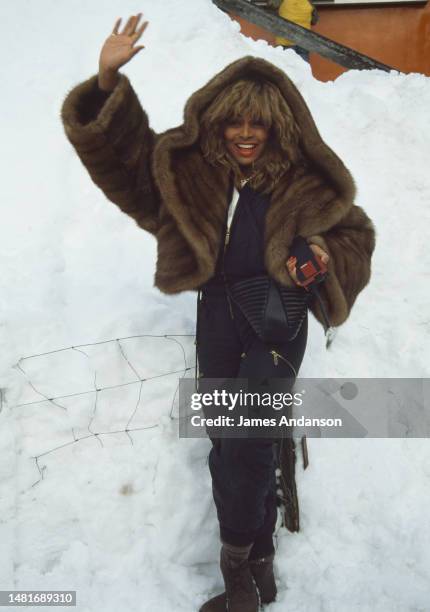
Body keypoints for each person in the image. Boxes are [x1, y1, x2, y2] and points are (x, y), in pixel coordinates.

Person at [60, 13, 376, 612]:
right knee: (223, 443)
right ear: (219, 122)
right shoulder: (194, 179)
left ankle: (237, 583)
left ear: (279, 127)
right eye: (236, 120)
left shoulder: (307, 183)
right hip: (218, 320)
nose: (246, 132)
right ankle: (260, 562)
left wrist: (323, 255)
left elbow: (356, 238)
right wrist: (105, 83)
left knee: (251, 438)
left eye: (259, 122)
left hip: (278, 319)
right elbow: (126, 166)